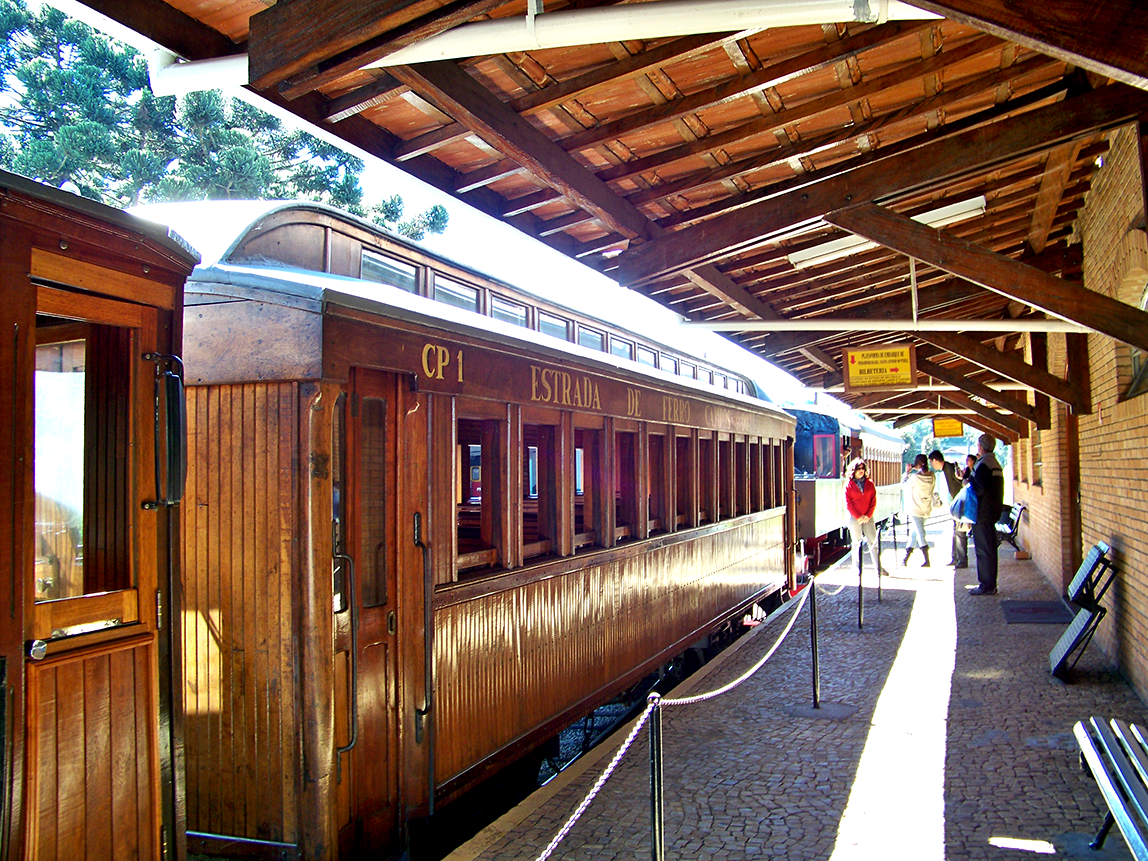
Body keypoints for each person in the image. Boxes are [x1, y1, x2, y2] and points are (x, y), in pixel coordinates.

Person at [969, 434, 1005, 595]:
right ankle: (990, 583)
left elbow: (980, 488)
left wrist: (969, 482)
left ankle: (986, 585)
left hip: (982, 513)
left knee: (983, 549)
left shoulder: (983, 464)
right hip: (993, 511)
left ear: (981, 447)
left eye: (978, 445)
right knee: (990, 548)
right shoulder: (995, 463)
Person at [929, 449, 968, 568]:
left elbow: (962, 482)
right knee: (956, 531)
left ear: (935, 460)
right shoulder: (947, 468)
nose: (931, 465)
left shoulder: (950, 468)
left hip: (960, 503)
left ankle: (961, 559)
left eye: (931, 462)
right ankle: (955, 557)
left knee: (960, 532)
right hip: (957, 503)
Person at [844, 457, 883, 574]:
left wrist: (868, 515)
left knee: (873, 541)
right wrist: (858, 516)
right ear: (853, 471)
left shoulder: (870, 484)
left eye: (862, 468)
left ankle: (878, 568)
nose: (861, 471)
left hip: (868, 517)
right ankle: (856, 567)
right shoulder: (849, 485)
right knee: (856, 542)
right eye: (858, 469)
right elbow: (848, 503)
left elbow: (873, 500)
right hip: (855, 518)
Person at [901, 453, 935, 566]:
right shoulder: (932, 476)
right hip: (926, 509)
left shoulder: (914, 478)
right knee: (914, 533)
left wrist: (907, 472)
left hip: (915, 509)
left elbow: (903, 486)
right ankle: (905, 559)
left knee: (920, 534)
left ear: (916, 464)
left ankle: (927, 560)